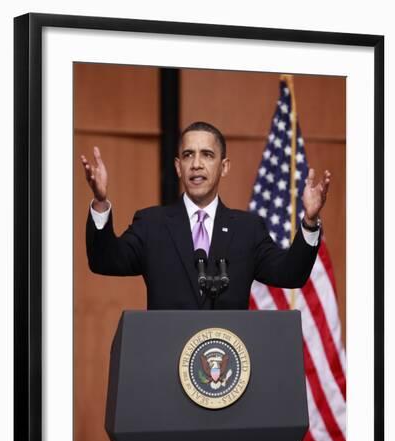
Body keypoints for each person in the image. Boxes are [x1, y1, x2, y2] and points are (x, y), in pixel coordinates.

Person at [81, 121, 330, 310]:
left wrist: (309, 222)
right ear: (179, 167)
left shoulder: (248, 229)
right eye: (188, 155)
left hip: (229, 370)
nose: (196, 164)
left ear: (224, 167)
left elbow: (291, 273)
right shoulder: (151, 224)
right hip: (166, 366)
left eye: (207, 155)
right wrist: (101, 203)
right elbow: (105, 260)